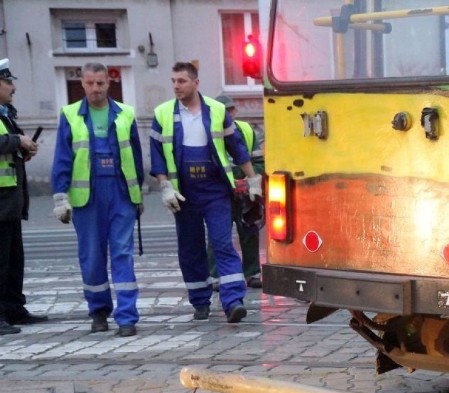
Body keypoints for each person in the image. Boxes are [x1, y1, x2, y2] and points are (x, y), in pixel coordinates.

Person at [149, 62, 261, 323]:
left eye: (182, 81)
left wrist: (252, 179)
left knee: (222, 244)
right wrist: (165, 186)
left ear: (195, 83)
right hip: (183, 192)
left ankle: (233, 302)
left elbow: (237, 148)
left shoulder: (217, 110)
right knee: (191, 249)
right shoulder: (163, 113)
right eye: (173, 81)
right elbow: (156, 156)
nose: (176, 86)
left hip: (215, 190)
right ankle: (200, 302)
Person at [51, 62, 144, 337]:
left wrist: (138, 194)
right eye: (90, 83)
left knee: (122, 255)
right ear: (82, 84)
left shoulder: (126, 114)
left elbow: (135, 156)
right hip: (86, 197)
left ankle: (127, 317)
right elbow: (62, 157)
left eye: (100, 83)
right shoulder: (70, 115)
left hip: (120, 194)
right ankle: (99, 311)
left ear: (109, 83)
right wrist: (60, 196)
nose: (95, 89)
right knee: (92, 257)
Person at [0, 58, 46, 336]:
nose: (13, 86)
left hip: (9, 202)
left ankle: (14, 309)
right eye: (7, 81)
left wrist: (23, 150)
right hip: (1, 203)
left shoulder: (6, 113)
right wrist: (17, 141)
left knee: (14, 260)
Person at [207, 94, 264, 291]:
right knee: (218, 234)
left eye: (230, 110)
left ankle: (252, 273)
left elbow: (257, 160)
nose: (229, 114)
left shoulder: (246, 130)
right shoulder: (208, 132)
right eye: (225, 111)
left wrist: (252, 181)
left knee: (249, 231)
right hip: (220, 192)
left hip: (244, 192)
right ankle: (214, 275)